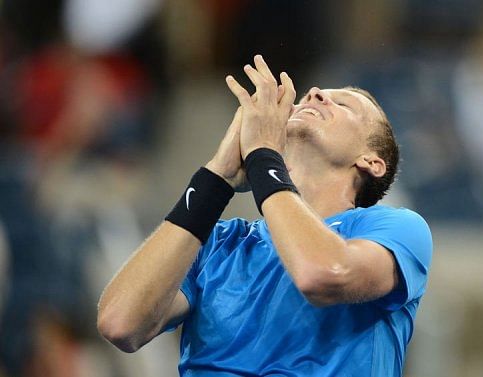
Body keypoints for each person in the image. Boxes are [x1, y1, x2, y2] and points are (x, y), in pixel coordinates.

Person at [97, 55, 433, 376]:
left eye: (343, 104)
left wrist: (263, 157)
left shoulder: (394, 228)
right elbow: (120, 324)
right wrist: (216, 177)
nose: (314, 94)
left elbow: (322, 273)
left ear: (371, 161)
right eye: (310, 97)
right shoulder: (218, 242)